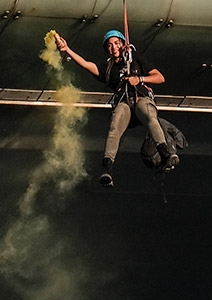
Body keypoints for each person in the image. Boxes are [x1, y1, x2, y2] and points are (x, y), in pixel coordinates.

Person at [53, 29, 179, 187]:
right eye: (110, 45)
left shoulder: (136, 60)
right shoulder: (108, 67)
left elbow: (159, 77)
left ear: (123, 44)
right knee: (114, 127)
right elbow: (87, 65)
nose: (113, 47)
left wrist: (139, 79)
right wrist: (67, 50)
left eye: (116, 43)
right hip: (124, 102)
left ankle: (166, 152)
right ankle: (107, 169)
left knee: (149, 116)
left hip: (140, 98)